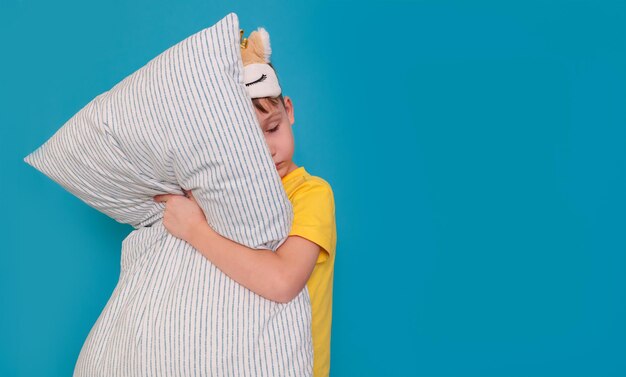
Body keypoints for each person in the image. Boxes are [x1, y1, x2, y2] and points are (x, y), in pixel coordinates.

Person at [153, 27, 336, 377]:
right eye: (251, 143)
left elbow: (283, 282)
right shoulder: (223, 197)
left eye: (273, 128)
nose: (269, 150)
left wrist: (194, 229)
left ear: (289, 110)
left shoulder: (312, 193)